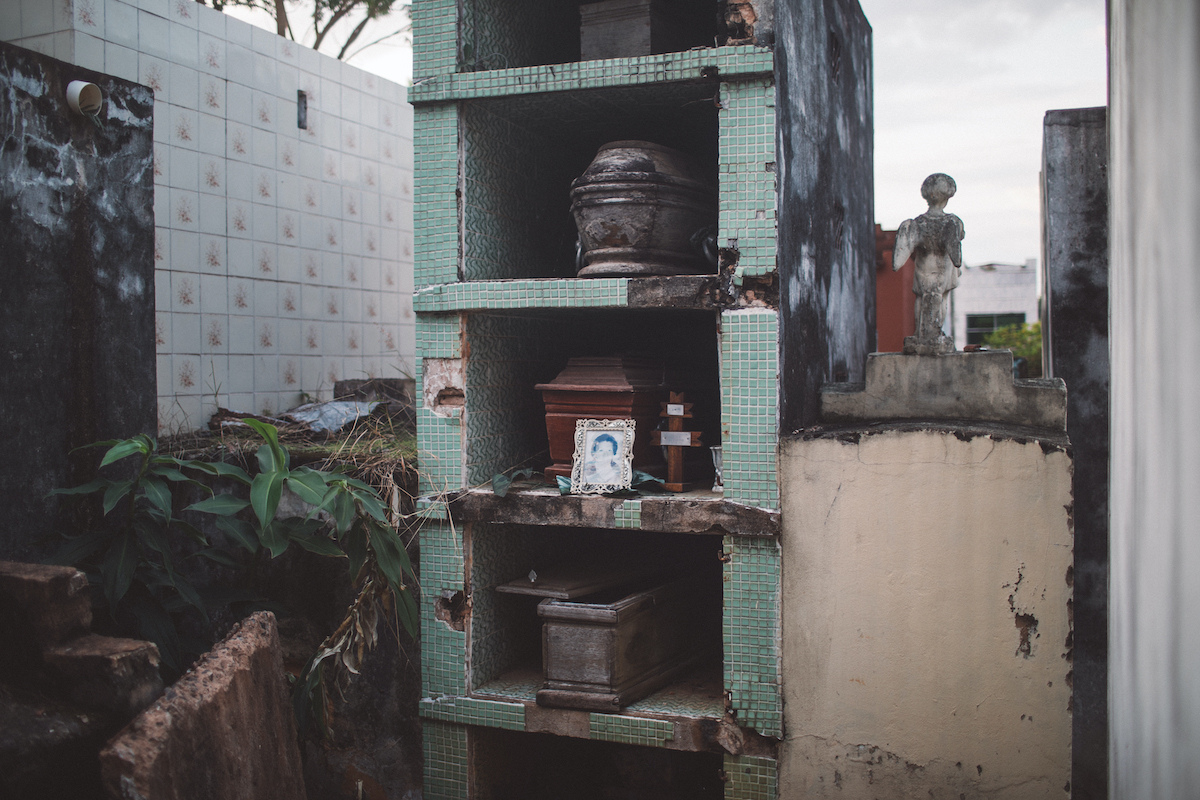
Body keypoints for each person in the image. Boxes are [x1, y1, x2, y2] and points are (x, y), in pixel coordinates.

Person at [893, 173, 965, 354]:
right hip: (942, 268)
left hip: (924, 266)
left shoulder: (915, 224)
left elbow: (898, 259)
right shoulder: (951, 222)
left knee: (921, 297)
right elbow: (957, 248)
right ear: (948, 195)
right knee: (940, 299)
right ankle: (935, 334)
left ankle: (920, 334)